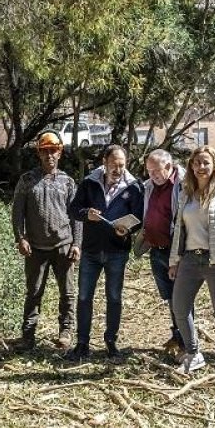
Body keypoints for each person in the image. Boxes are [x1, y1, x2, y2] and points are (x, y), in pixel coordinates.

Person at [168, 146, 215, 375]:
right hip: (190, 259)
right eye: (197, 163)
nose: (201, 167)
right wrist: (174, 260)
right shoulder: (186, 191)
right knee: (179, 307)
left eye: (206, 163)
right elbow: (179, 229)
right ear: (191, 166)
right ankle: (193, 353)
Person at [67, 144, 143, 360]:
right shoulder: (90, 183)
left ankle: (111, 342)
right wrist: (86, 214)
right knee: (83, 297)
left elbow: (139, 217)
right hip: (91, 250)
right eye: (114, 165)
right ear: (104, 162)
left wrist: (128, 229)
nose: (118, 169)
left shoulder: (134, 187)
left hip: (117, 251)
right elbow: (74, 209)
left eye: (122, 165)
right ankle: (82, 344)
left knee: (114, 297)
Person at [11, 130, 82, 350]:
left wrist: (77, 244)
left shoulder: (68, 182)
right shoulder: (27, 180)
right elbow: (17, 213)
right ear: (39, 154)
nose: (49, 155)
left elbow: (76, 216)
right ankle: (28, 336)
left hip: (63, 246)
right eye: (45, 151)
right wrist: (20, 238)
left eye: (53, 151)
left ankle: (66, 332)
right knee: (33, 292)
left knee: (67, 293)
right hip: (35, 249)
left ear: (60, 153)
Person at [140, 149, 186, 354]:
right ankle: (177, 335)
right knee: (169, 297)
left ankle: (187, 343)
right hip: (156, 250)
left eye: (156, 171)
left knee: (181, 298)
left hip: (176, 251)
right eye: (149, 171)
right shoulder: (148, 186)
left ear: (169, 166)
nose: (153, 175)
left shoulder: (184, 185)